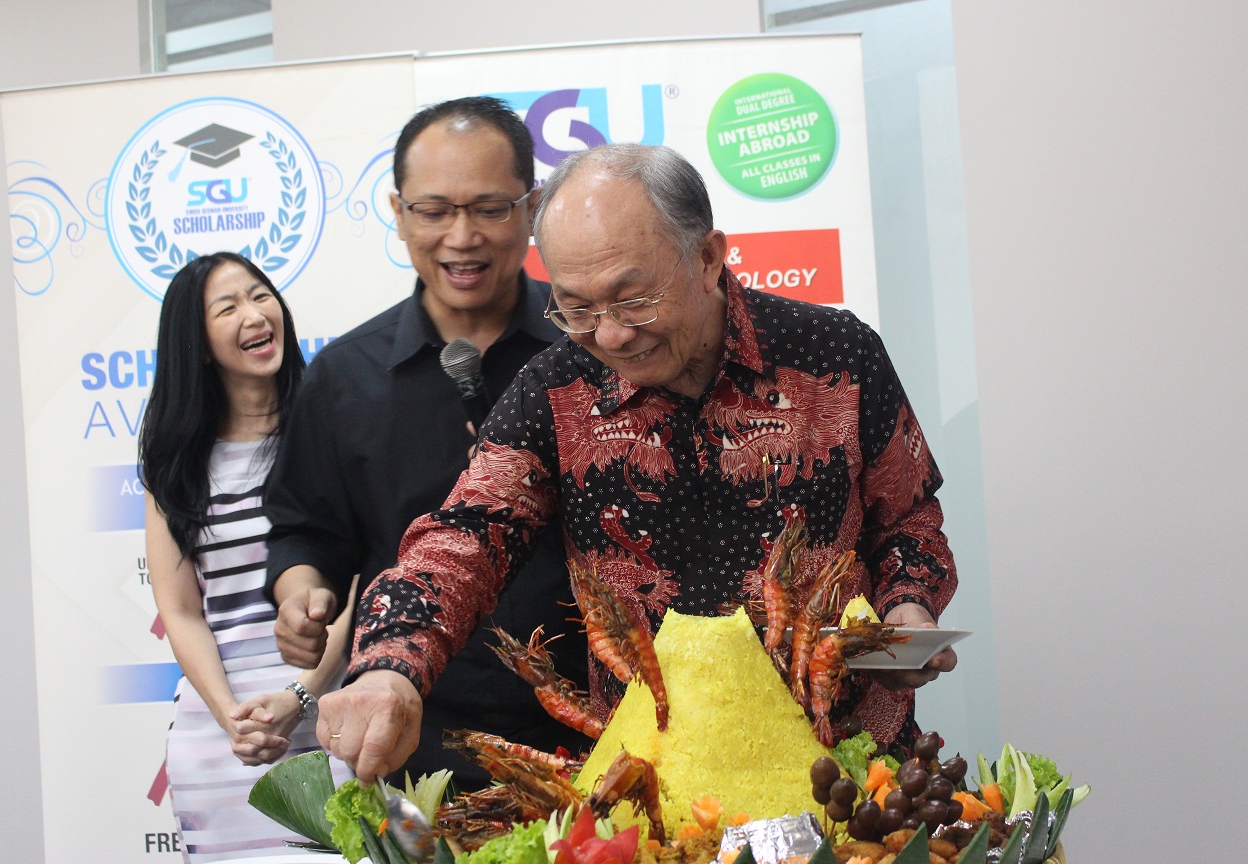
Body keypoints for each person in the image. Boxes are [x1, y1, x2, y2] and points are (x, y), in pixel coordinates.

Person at [317, 143, 961, 785]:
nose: (611, 335)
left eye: (633, 300)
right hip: (658, 783)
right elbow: (465, 537)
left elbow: (908, 517)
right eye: (576, 308)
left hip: (849, 771)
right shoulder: (554, 389)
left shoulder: (835, 353)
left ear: (708, 258)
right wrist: (388, 664)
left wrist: (908, 605)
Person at [263, 97, 591, 789]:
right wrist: (304, 596)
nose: (461, 236)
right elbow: (306, 531)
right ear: (398, 212)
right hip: (413, 740)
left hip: (594, 733)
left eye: (489, 208)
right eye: (435, 211)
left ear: (531, 210)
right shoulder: (343, 377)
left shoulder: (594, 351)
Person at [140, 252, 351, 863]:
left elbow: (359, 592)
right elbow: (181, 613)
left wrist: (298, 699)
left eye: (260, 296)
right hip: (221, 743)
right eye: (227, 307)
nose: (254, 314)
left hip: (332, 727)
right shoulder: (174, 466)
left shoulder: (332, 432)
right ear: (199, 344)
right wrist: (234, 718)